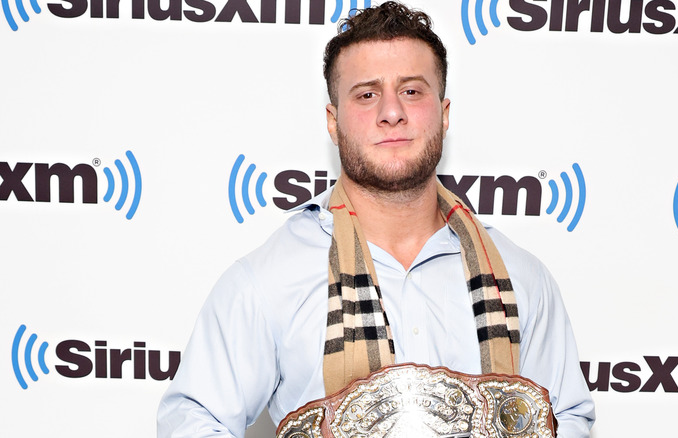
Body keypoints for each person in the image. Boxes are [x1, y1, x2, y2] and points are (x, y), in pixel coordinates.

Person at [157, 2, 595, 437]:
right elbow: (192, 422)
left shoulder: (521, 278)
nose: (392, 111)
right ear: (334, 122)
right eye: (367, 94)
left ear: (443, 114)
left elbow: (566, 418)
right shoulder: (268, 280)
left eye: (411, 91)